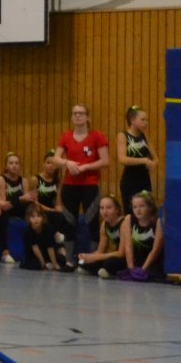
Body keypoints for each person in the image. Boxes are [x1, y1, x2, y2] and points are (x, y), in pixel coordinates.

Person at [54, 104, 109, 256]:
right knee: (69, 223)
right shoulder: (66, 136)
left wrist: (85, 167)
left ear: (87, 117)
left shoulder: (97, 136)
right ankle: (69, 260)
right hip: (69, 185)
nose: (78, 116)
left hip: (89, 185)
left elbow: (105, 161)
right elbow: (56, 158)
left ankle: (93, 259)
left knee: (91, 221)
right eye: (75, 113)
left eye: (81, 113)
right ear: (72, 117)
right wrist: (67, 162)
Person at [78, 194, 127, 279]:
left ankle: (111, 271)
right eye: (102, 208)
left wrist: (95, 257)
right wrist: (87, 257)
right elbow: (100, 251)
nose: (104, 211)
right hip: (114, 256)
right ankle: (103, 270)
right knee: (82, 263)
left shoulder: (124, 223)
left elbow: (121, 253)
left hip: (125, 258)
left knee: (109, 263)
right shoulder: (104, 225)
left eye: (109, 208)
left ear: (117, 210)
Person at [0, 151, 30, 264]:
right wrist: (20, 198)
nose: (14, 166)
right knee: (3, 215)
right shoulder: (1, 179)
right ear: (6, 166)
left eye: (16, 163)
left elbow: (27, 199)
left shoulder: (23, 181)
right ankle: (5, 252)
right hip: (7, 209)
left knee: (34, 211)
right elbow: (4, 204)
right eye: (11, 163)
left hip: (19, 208)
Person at [122, 191, 165, 281]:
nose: (138, 210)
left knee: (155, 273)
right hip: (137, 259)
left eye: (142, 206)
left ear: (150, 207)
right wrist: (131, 269)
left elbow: (156, 250)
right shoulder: (129, 219)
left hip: (153, 261)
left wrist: (143, 269)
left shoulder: (158, 222)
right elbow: (128, 246)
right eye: (135, 207)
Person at [118, 106, 156, 205]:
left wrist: (153, 164)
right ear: (133, 120)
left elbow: (155, 158)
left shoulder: (144, 136)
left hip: (145, 180)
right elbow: (122, 159)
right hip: (130, 180)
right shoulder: (123, 135)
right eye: (142, 120)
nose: (146, 123)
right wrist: (144, 160)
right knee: (131, 210)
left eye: (147, 120)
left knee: (147, 209)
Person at [19, 204, 70, 271]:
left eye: (38, 216)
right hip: (33, 255)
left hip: (46, 252)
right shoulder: (28, 231)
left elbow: (50, 247)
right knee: (30, 264)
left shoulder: (48, 228)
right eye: (33, 217)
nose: (36, 219)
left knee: (62, 259)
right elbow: (35, 248)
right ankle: (46, 264)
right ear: (29, 218)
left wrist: (54, 264)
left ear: (43, 217)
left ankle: (51, 263)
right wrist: (43, 264)